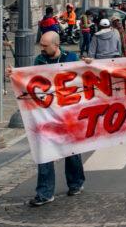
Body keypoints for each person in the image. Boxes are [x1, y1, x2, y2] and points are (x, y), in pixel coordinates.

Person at [7, 31, 85, 206]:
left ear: (56, 45)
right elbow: (30, 78)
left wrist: (88, 64)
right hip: (45, 114)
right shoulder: (39, 60)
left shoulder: (71, 57)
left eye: (44, 45)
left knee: (71, 152)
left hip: (67, 113)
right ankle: (44, 193)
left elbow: (83, 77)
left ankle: (76, 183)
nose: (41, 48)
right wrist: (14, 74)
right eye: (41, 44)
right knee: (44, 152)